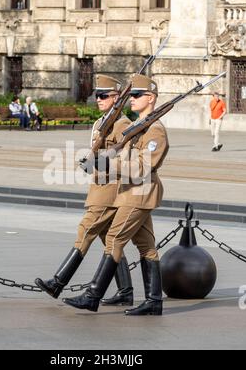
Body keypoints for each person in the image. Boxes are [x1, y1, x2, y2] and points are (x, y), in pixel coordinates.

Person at [63, 74, 169, 316]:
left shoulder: (155, 131)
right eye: (130, 95)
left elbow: (143, 167)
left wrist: (110, 165)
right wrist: (100, 160)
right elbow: (122, 156)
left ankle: (92, 296)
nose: (131, 99)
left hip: (140, 192)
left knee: (114, 239)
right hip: (129, 191)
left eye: (136, 95)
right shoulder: (137, 126)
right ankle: (154, 301)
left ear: (150, 98)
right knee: (146, 246)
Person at [34, 75, 134, 306]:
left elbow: (125, 157)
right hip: (98, 186)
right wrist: (90, 162)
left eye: (104, 96)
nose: (98, 99)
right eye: (97, 95)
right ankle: (126, 291)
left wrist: (103, 160)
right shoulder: (100, 122)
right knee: (109, 239)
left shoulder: (123, 125)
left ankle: (58, 282)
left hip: (110, 189)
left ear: (117, 98)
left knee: (85, 230)